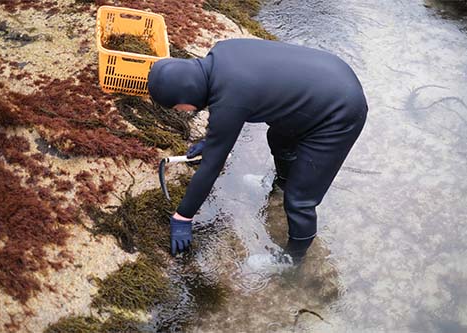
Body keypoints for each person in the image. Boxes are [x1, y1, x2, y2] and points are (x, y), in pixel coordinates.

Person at [148, 39, 368, 261]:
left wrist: (183, 217)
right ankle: (280, 187)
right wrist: (211, 141)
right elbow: (234, 105)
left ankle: (292, 260)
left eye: (177, 107)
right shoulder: (221, 52)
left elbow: (212, 166)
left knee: (300, 200)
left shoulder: (230, 98)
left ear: (186, 95)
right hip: (329, 79)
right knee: (279, 139)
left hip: (341, 112)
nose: (182, 112)